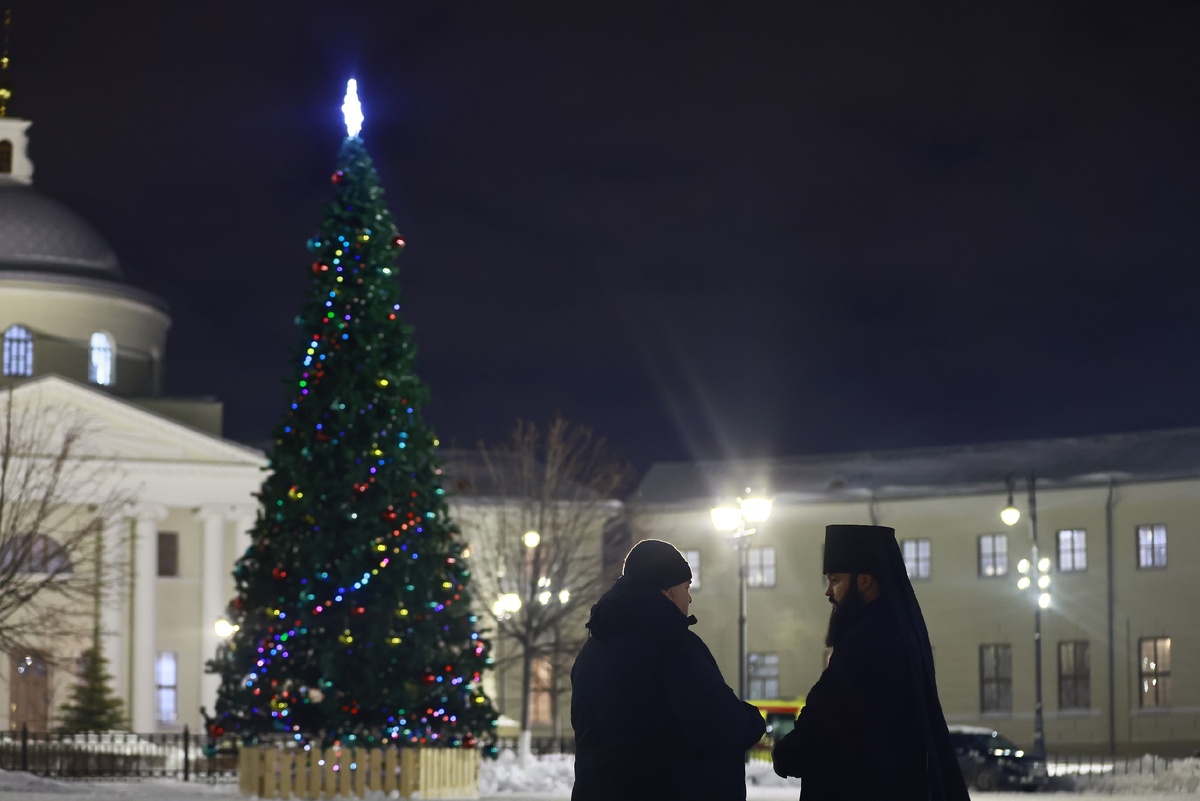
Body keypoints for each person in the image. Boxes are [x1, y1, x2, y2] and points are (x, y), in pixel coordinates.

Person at [771, 524, 969, 801]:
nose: (828, 591)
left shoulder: (866, 643)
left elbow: (825, 723)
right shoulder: (895, 632)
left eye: (835, 579)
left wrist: (784, 754)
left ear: (864, 581)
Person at [571, 539, 766, 801]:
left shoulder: (592, 650)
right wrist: (752, 721)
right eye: (686, 587)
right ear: (666, 591)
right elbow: (718, 725)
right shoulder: (673, 645)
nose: (690, 598)